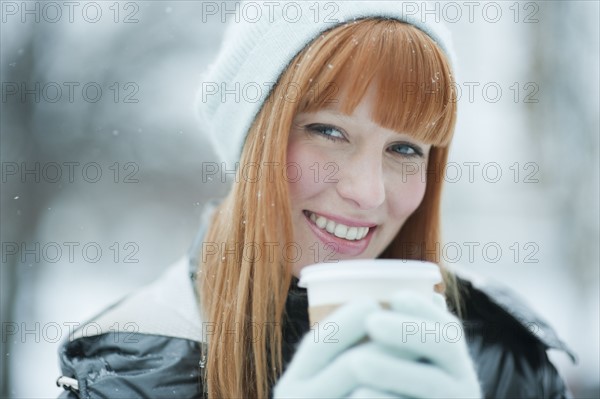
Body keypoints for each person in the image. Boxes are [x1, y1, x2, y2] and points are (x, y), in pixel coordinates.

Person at [56, 1, 575, 398]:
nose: (368, 192)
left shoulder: (505, 360)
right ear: (252, 138)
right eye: (328, 131)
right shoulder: (128, 368)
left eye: (403, 148)